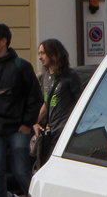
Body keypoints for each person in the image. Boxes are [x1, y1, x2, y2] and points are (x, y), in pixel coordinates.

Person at [0, 23, 42, 197]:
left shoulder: (21, 66)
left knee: (21, 171)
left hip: (18, 128)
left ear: (4, 42)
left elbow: (35, 98)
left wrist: (27, 124)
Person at [32, 38, 82, 170]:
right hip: (51, 130)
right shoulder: (45, 76)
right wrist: (37, 122)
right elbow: (46, 103)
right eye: (39, 53)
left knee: (54, 167)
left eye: (43, 53)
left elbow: (80, 102)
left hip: (64, 130)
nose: (40, 57)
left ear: (53, 53)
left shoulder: (70, 76)